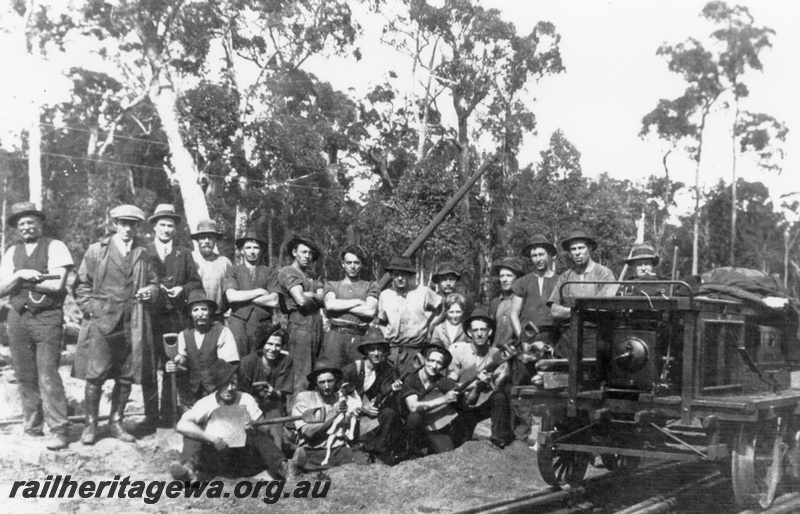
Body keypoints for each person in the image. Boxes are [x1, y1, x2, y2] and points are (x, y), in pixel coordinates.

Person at [73, 204, 159, 445]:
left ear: (137, 227)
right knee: (96, 374)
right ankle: (90, 425)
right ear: (114, 224)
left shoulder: (144, 252)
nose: (128, 228)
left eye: (132, 224)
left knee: (126, 375)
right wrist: (94, 310)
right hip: (103, 324)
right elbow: (81, 286)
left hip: (133, 323)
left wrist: (150, 291)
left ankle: (116, 422)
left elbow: (155, 282)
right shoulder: (96, 251)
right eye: (123, 223)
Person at [0, 202, 73, 450]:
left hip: (47, 317)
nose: (26, 227)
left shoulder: (56, 247)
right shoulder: (12, 252)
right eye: (21, 224)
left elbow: (57, 285)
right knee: (24, 373)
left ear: (40, 223)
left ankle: (60, 429)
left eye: (31, 222)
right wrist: (22, 275)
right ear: (17, 229)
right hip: (18, 317)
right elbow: (1, 289)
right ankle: (32, 426)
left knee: (48, 373)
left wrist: (20, 281)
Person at [169, 359, 297, 482]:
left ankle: (284, 468)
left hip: (243, 459)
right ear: (218, 385)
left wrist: (253, 425)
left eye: (233, 383)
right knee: (192, 434)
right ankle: (188, 471)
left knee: (256, 434)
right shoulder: (206, 403)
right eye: (225, 384)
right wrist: (211, 438)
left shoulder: (246, 399)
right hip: (216, 459)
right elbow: (181, 425)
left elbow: (266, 429)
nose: (230, 388)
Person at [143, 204, 202, 430]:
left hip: (176, 317)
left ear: (175, 229)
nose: (166, 229)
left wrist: (182, 290)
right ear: (155, 227)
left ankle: (169, 417)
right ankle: (150, 419)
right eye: (162, 225)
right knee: (149, 366)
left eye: (170, 226)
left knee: (172, 364)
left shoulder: (184, 253)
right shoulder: (144, 251)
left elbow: (195, 282)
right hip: (151, 317)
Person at [508, 234, 560, 443]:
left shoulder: (559, 280)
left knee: (551, 385)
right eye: (534, 255)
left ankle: (548, 436)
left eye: (541, 254)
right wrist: (523, 339)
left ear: (549, 255)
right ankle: (522, 436)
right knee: (523, 386)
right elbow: (513, 313)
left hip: (553, 337)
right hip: (527, 337)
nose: (538, 259)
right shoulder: (523, 282)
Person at [447, 308, 514, 449]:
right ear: (469, 332)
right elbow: (451, 386)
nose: (479, 334)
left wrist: (498, 378)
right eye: (475, 330)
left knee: (500, 397)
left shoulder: (497, 354)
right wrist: (476, 384)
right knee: (458, 443)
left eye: (483, 330)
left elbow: (498, 388)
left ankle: (499, 440)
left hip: (483, 404)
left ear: (489, 332)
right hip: (463, 406)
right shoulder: (458, 350)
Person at [547, 228, 616, 358]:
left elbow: (603, 305)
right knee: (564, 375)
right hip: (568, 337)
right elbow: (555, 311)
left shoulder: (604, 274)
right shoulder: (565, 277)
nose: (577, 253)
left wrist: (570, 309)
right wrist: (581, 309)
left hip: (594, 336)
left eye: (581, 248)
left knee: (591, 375)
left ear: (589, 248)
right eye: (573, 249)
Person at [166, 290, 240, 410]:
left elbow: (228, 364)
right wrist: (176, 361)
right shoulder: (184, 335)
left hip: (216, 389)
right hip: (192, 391)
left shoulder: (222, 331)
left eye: (204, 309)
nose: (200, 314)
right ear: (190, 313)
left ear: (210, 312)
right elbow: (182, 359)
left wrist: (210, 380)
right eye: (195, 310)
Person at [291, 361, 370, 471]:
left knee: (362, 462)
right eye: (322, 382)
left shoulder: (343, 398)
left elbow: (352, 434)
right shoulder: (305, 398)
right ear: (315, 383)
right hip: (313, 449)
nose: (327, 386)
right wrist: (333, 413)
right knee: (305, 459)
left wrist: (355, 419)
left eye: (330, 381)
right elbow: (308, 432)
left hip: (338, 448)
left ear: (336, 381)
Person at [341, 327, 404, 465]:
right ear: (365, 351)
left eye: (379, 349)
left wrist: (393, 389)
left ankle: (379, 451)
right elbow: (339, 394)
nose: (376, 353)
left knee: (389, 412)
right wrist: (362, 407)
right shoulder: (353, 369)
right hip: (349, 413)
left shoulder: (386, 370)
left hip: (370, 414)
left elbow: (384, 393)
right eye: (372, 349)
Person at [377, 256, 442, 375]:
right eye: (396, 274)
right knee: (390, 385)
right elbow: (382, 320)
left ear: (410, 276)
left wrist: (431, 325)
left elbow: (441, 308)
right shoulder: (385, 295)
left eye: (404, 275)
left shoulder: (423, 292)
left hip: (415, 349)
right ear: (391, 275)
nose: (400, 278)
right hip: (392, 350)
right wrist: (386, 334)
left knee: (411, 386)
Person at [319, 244, 379, 369]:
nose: (352, 266)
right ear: (343, 264)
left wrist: (340, 304)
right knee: (332, 373)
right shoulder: (332, 285)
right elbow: (330, 305)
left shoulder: (370, 285)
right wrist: (358, 301)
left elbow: (370, 311)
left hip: (359, 337)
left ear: (361, 264)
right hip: (335, 337)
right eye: (349, 262)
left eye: (356, 263)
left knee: (357, 374)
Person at [278, 234, 324, 394]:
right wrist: (312, 297)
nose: (308, 256)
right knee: (300, 376)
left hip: (317, 326)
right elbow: (301, 301)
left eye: (310, 254)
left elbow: (323, 298)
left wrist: (310, 295)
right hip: (300, 327)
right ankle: (296, 416)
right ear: (294, 252)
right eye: (304, 252)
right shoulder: (287, 271)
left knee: (316, 373)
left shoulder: (311, 275)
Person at [223, 230, 280, 357]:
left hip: (263, 322)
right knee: (239, 356)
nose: (252, 251)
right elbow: (231, 296)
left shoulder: (269, 272)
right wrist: (260, 292)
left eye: (256, 247)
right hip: (238, 322)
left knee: (262, 356)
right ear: (242, 251)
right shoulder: (233, 271)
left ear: (261, 250)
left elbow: (274, 300)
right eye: (248, 248)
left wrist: (243, 297)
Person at [238, 323, 293, 449]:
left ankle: (279, 461)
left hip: (272, 404)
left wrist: (272, 391)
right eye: (269, 344)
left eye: (277, 345)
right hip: (248, 406)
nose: (273, 349)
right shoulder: (248, 361)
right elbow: (240, 393)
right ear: (262, 344)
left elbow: (282, 393)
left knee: (274, 428)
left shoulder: (286, 361)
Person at [400, 346, 461, 455]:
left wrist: (478, 383)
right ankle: (410, 450)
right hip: (410, 426)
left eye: (439, 363)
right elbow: (413, 407)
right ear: (424, 360)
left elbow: (459, 389)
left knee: (447, 454)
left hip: (432, 425)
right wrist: (444, 399)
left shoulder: (441, 380)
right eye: (431, 361)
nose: (434, 366)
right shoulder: (411, 379)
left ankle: (429, 447)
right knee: (414, 417)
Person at [191, 219, 232, 320]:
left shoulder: (224, 262)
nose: (206, 241)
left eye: (210, 238)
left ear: (216, 240)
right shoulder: (190, 259)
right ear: (197, 240)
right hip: (194, 317)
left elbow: (231, 290)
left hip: (217, 316)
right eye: (202, 238)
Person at [489, 257, 526, 347]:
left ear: (517, 278)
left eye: (509, 276)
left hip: (516, 352)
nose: (504, 280)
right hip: (496, 352)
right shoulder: (495, 303)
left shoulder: (523, 302)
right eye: (502, 276)